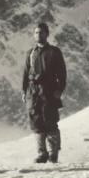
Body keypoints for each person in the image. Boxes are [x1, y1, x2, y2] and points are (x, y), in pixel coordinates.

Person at [22, 23, 67, 163]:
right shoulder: (30, 53)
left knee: (51, 121)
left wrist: (59, 90)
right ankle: (42, 153)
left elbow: (62, 73)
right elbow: (25, 73)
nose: (38, 35)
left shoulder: (54, 52)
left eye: (41, 32)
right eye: (36, 32)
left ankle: (53, 154)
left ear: (47, 34)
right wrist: (24, 91)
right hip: (33, 93)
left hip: (49, 91)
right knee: (36, 122)